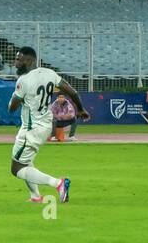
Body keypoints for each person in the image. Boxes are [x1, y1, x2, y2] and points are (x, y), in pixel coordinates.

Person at [8, 47, 90, 203]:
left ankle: (59, 184)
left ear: (29, 60)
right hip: (45, 125)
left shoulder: (23, 81)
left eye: (19, 59)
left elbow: (11, 108)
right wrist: (81, 109)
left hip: (31, 129)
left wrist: (15, 96)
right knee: (27, 160)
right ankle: (35, 196)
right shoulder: (49, 73)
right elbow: (72, 92)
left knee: (16, 169)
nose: (15, 63)